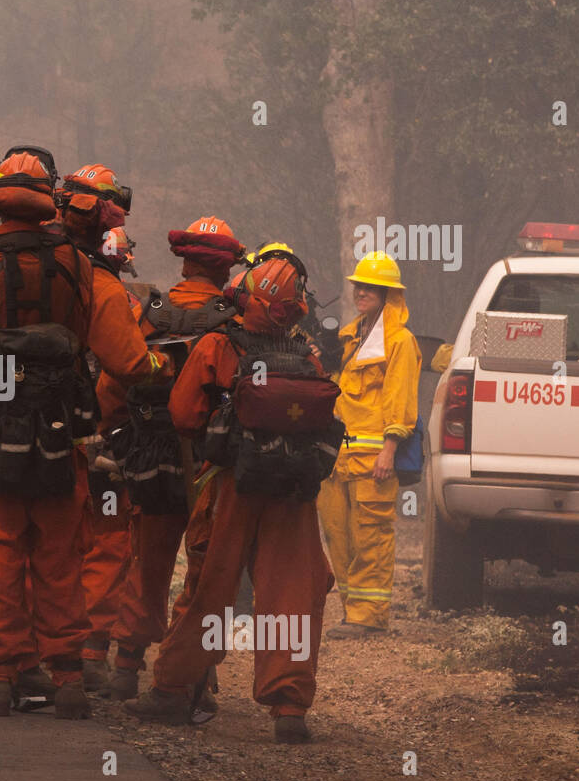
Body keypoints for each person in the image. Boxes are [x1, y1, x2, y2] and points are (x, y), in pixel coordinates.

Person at [125, 252, 338, 744]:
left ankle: (173, 691)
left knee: (209, 590)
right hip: (294, 492)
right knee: (292, 595)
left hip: (230, 485)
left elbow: (182, 415)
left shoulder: (220, 344)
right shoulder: (307, 353)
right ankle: (289, 708)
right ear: (298, 307)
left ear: (245, 296)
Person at [0, 148, 98, 718]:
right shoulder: (77, 264)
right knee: (59, 553)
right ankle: (70, 677)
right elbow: (85, 333)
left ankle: (1, 678)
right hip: (60, 426)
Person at [98, 217, 245, 700]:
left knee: (148, 561)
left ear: (184, 261)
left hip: (150, 456)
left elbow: (115, 380)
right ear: (225, 270)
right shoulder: (234, 320)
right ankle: (194, 675)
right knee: (204, 569)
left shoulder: (151, 312)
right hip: (210, 461)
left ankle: (125, 666)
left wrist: (116, 437)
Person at [54, 166, 170, 694]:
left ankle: (20, 654)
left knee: (48, 543)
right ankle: (89, 651)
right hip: (102, 448)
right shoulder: (115, 297)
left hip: (39, 439)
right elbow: (132, 369)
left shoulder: (36, 277)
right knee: (106, 549)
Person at [318, 251, 421, 638]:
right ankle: (352, 611)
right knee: (338, 535)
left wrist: (390, 450)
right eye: (359, 285)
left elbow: (401, 400)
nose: (362, 291)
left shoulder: (400, 342)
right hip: (339, 457)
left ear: (389, 294)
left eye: (371, 287)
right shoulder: (349, 338)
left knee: (371, 537)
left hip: (374, 458)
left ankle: (369, 617)